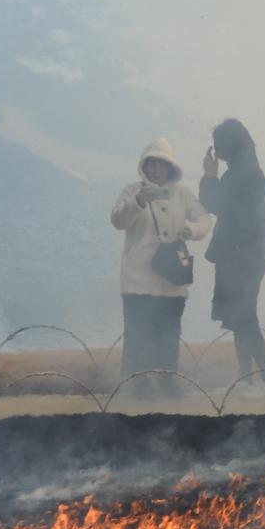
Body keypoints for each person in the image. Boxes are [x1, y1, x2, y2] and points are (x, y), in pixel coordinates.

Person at [110, 138, 212, 399]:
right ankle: (136, 384)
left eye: (161, 165)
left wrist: (191, 230)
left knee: (169, 334)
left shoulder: (183, 193)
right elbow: (117, 221)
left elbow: (204, 219)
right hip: (138, 280)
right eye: (151, 164)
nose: (156, 170)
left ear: (170, 168)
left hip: (171, 280)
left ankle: (168, 382)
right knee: (136, 334)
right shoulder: (132, 190)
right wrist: (139, 202)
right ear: (144, 167)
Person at [197, 117, 265, 396]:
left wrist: (209, 175)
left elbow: (217, 205)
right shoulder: (243, 170)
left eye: (218, 145)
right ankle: (248, 379)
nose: (215, 151)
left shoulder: (247, 172)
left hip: (243, 258)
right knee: (241, 318)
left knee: (245, 317)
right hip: (244, 256)